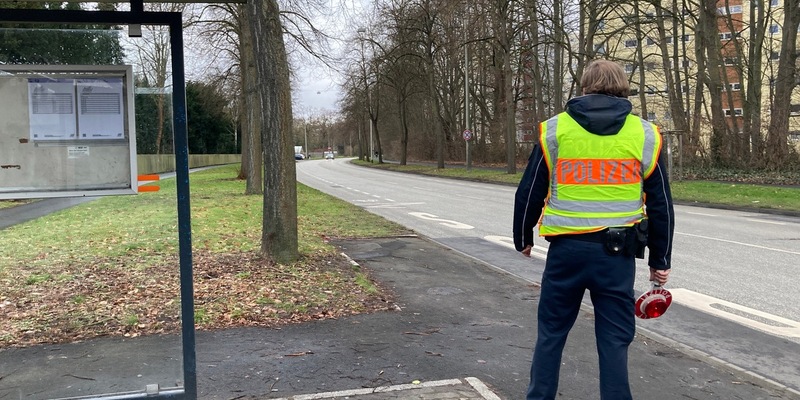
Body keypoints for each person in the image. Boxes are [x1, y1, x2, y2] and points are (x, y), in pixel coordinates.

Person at [513, 59, 675, 400]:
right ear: (623, 87)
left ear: (584, 86)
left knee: (551, 334)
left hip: (565, 255)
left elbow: (529, 190)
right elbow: (661, 204)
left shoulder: (554, 131)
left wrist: (523, 237)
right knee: (614, 340)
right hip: (615, 258)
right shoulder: (645, 134)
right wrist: (660, 259)